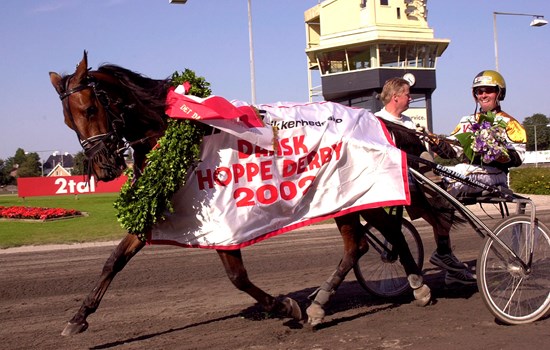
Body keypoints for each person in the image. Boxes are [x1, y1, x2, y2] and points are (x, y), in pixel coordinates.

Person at [374, 77, 476, 285]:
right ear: (395, 97)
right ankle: (444, 255)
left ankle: (446, 259)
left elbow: (423, 151)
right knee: (442, 214)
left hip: (421, 176)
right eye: (407, 94)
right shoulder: (378, 122)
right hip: (402, 181)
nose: (410, 98)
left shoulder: (409, 122)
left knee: (445, 209)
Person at [444, 70, 527, 197]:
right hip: (470, 172)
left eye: (488, 90)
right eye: (479, 92)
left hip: (495, 174)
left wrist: (497, 153)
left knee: (457, 173)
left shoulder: (510, 122)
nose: (483, 95)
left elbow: (518, 158)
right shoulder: (467, 120)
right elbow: (451, 150)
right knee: (439, 172)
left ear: (499, 93)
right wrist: (433, 140)